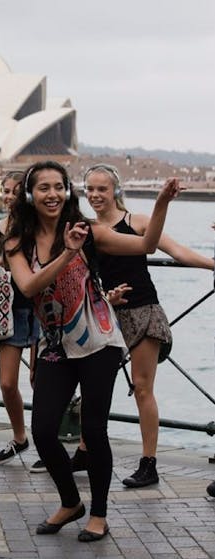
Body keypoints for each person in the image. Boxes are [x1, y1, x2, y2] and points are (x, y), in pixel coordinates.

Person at [4, 160, 181, 542]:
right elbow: (31, 287)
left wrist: (163, 203)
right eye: (44, 188)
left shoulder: (89, 231)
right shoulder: (18, 242)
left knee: (94, 430)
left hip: (100, 342)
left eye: (59, 186)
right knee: (44, 431)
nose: (52, 194)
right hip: (55, 347)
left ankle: (98, 514)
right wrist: (67, 254)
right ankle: (71, 502)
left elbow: (146, 245)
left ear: (66, 192)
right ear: (30, 195)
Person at [81, 163, 214, 488]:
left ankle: (148, 463)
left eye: (103, 189)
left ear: (116, 191)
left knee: (142, 387)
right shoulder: (84, 230)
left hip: (143, 310)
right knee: (92, 385)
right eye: (91, 189)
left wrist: (212, 264)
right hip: (105, 314)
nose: (96, 195)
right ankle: (85, 450)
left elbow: (176, 251)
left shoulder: (136, 222)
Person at [0, 172, 39, 467]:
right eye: (5, 191)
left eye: (15, 191)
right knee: (6, 382)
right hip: (8, 306)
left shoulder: (36, 225)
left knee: (40, 379)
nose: (9, 196)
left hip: (40, 304)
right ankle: (19, 436)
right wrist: (9, 260)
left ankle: (49, 443)